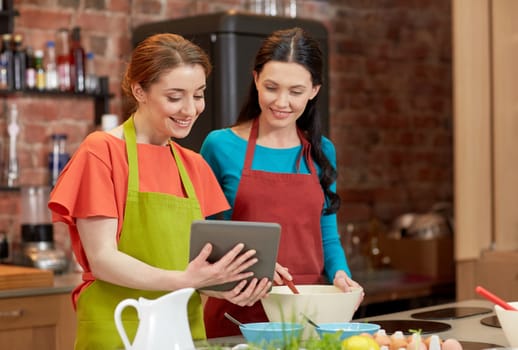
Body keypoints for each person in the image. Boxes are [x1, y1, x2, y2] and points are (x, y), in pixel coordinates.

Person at [48, 33, 271, 349]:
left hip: (184, 331)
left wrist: (232, 280)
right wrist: (186, 281)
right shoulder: (102, 152)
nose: (190, 109)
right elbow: (103, 259)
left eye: (198, 95)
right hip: (120, 329)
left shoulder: (193, 165)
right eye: (175, 96)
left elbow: (191, 270)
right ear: (139, 90)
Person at [200, 27, 364, 338]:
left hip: (307, 313)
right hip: (237, 312)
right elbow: (201, 240)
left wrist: (342, 275)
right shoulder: (220, 146)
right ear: (256, 79)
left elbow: (327, 236)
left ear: (314, 90)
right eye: (272, 87)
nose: (282, 102)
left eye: (296, 91)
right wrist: (252, 267)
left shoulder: (322, 151)